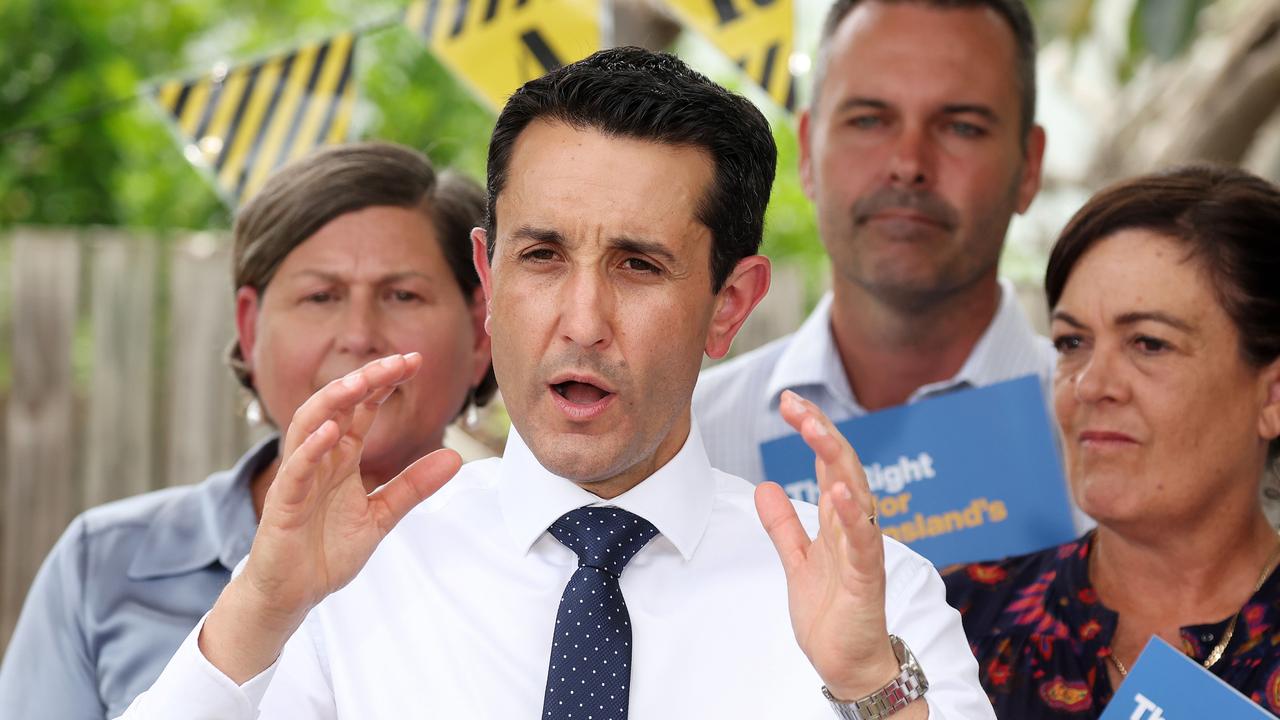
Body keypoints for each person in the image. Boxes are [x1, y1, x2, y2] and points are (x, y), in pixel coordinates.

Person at [116, 48, 994, 719]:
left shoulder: (874, 602)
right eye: (541, 256)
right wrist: (261, 609)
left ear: (729, 305)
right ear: (489, 282)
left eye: (639, 265)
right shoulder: (349, 582)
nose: (582, 320)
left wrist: (871, 690)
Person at [0, 142, 495, 719]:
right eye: (321, 296)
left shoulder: (553, 566)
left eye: (402, 294)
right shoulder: (103, 564)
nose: (359, 335)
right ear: (249, 327)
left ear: (481, 333)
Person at [942, 165, 1280, 718]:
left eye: (1149, 343)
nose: (1090, 384)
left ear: (1272, 397)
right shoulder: (957, 619)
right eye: (1072, 342)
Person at [694, 0, 1054, 489]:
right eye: (868, 120)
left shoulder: (1111, 434)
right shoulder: (687, 445)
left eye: (962, 126)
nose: (908, 163)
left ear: (1029, 167)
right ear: (807, 152)